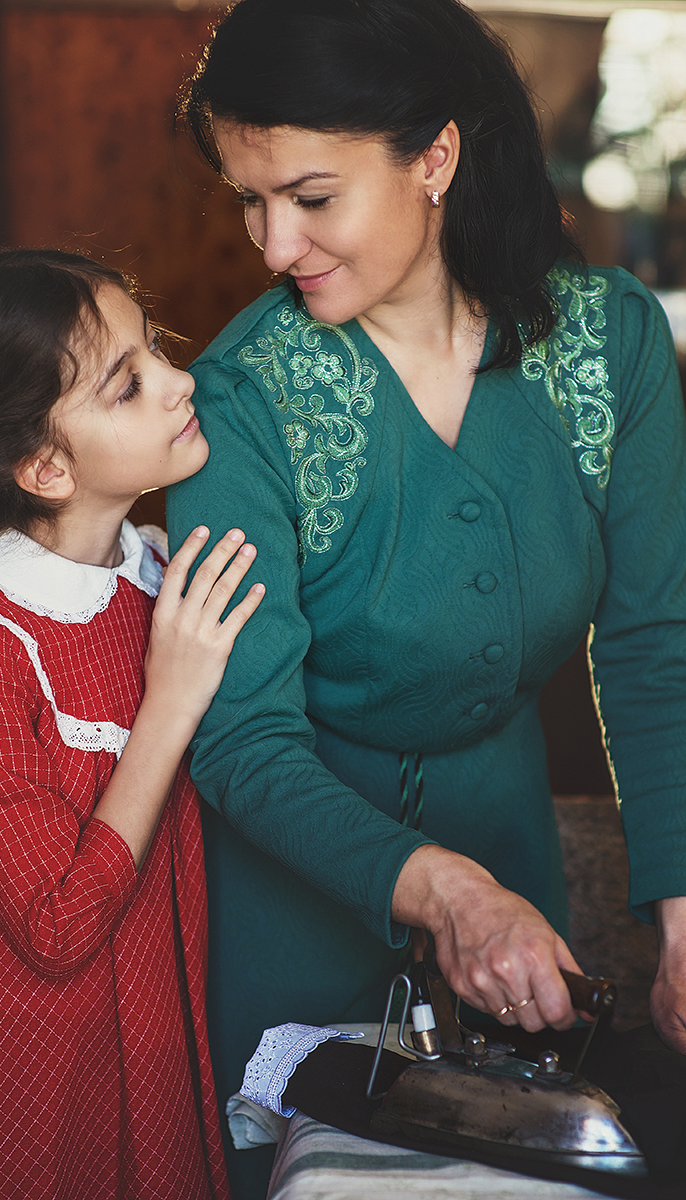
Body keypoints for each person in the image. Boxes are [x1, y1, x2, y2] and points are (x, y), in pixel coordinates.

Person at [169, 0, 686, 1194]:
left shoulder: (609, 348)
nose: (270, 246)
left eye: (308, 196)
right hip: (289, 897)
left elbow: (656, 644)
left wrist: (675, 908)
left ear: (436, 158)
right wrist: (446, 890)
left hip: (509, 878)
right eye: (248, 200)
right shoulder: (240, 402)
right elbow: (241, 742)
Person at [0, 248, 266, 1200]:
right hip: (18, 1079)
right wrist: (169, 705)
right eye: (129, 383)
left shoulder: (148, 582)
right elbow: (54, 923)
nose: (183, 381)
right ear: (46, 467)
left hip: (141, 1031)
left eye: (157, 349)